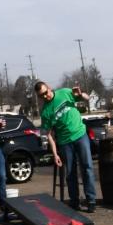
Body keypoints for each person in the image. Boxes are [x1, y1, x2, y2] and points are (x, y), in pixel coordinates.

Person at [35, 81, 97, 212]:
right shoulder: (45, 112)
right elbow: (49, 135)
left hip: (80, 135)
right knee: (70, 172)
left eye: (46, 93)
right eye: (41, 96)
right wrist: (55, 153)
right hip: (64, 142)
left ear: (49, 88)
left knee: (87, 167)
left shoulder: (64, 93)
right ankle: (74, 201)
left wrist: (81, 95)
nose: (45, 97)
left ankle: (91, 200)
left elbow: (86, 98)